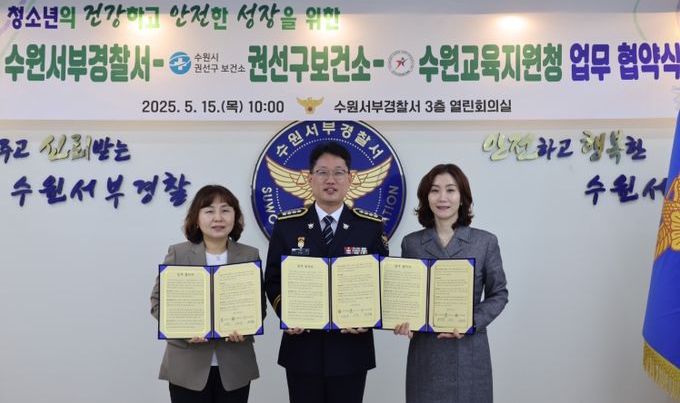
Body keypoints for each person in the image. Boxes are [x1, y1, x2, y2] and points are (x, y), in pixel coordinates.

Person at [264, 141, 389, 403]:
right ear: (310, 178)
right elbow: (273, 278)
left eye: (338, 172)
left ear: (350, 178)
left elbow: (383, 281)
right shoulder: (287, 225)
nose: (330, 180)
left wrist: (368, 316)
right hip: (302, 348)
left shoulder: (370, 226)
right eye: (322, 172)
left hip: (351, 349)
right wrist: (286, 312)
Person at [394, 164, 508, 403]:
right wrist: (402, 319)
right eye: (435, 190)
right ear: (426, 197)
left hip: (468, 352)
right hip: (426, 353)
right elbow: (407, 296)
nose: (442, 197)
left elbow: (499, 293)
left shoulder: (485, 242)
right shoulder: (411, 243)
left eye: (450, 190)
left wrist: (470, 321)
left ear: (462, 197)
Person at [150, 185, 261, 403]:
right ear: (196, 218)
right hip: (186, 366)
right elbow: (158, 302)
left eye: (225, 210)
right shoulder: (178, 253)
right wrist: (183, 330)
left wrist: (247, 328)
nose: (218, 218)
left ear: (235, 216)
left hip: (235, 367)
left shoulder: (249, 255)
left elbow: (258, 306)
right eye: (209, 211)